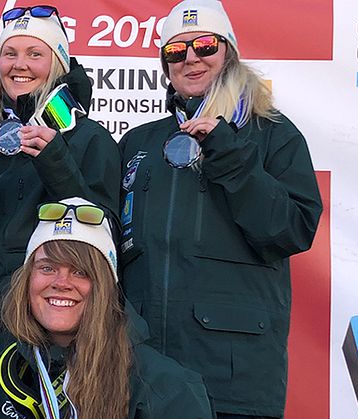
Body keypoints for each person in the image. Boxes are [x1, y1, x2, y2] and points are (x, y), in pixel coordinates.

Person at [117, 0, 323, 418]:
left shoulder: (272, 133)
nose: (191, 58)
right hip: (142, 372)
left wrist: (229, 153)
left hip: (233, 379)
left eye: (205, 45)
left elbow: (291, 231)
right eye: (176, 51)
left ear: (228, 51)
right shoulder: (138, 142)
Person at [0, 5, 120, 392]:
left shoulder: (90, 139)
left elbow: (102, 236)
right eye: (10, 53)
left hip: (46, 339)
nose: (19, 65)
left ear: (57, 63)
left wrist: (55, 161)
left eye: (34, 54)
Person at [0, 197, 213, 419]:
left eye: (81, 272)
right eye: (47, 268)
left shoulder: (165, 385)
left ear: (105, 287)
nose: (61, 283)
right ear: (26, 280)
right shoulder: (8, 368)